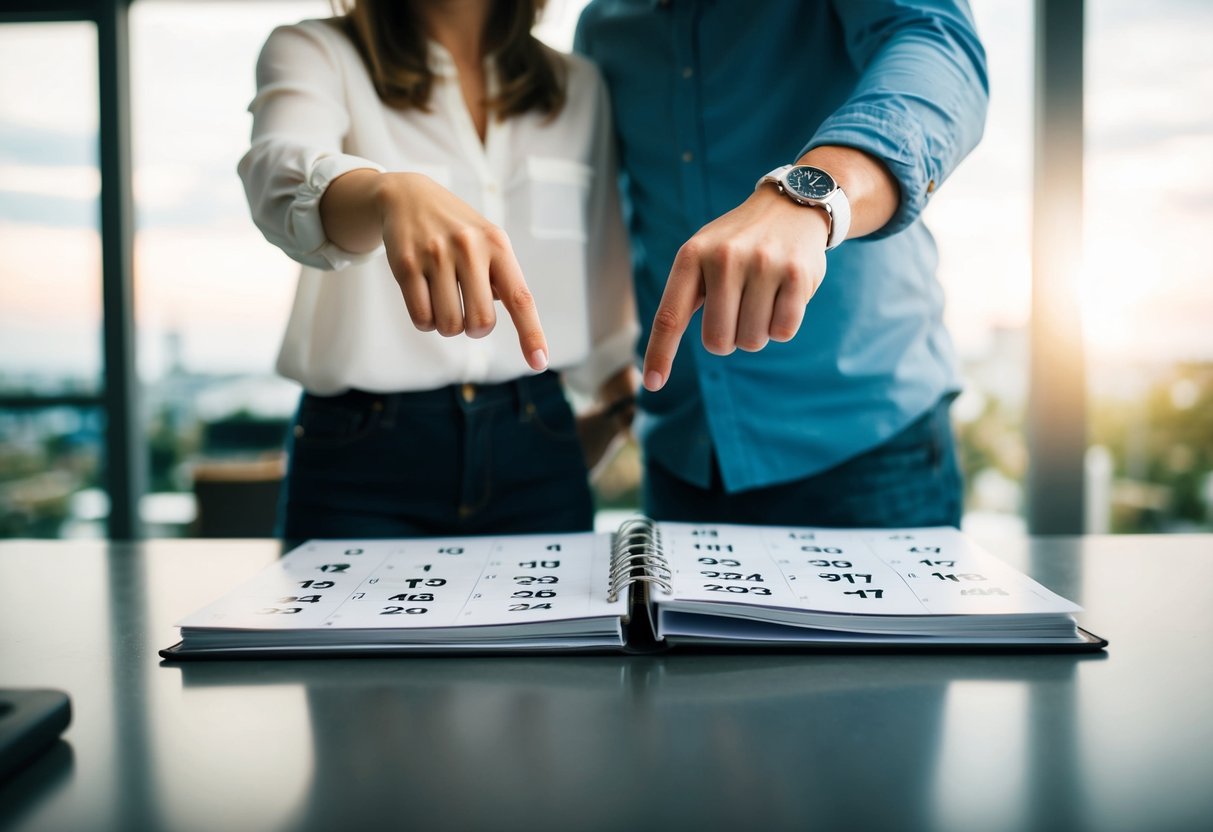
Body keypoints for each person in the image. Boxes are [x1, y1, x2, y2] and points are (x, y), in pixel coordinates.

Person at [575, 0, 989, 528]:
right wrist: (614, 389)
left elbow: (937, 43)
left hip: (868, 452)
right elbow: (616, 221)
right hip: (681, 457)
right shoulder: (602, 28)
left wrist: (809, 197)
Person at [238, 0, 637, 539]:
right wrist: (386, 194)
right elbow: (278, 179)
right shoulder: (316, 51)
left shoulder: (580, 86)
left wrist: (618, 408)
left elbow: (604, 282)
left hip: (539, 444)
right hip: (361, 456)